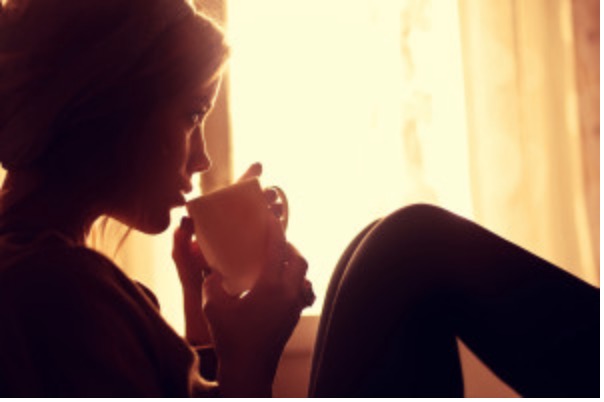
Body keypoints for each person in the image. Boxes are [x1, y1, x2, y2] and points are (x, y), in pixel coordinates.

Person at [0, 0, 598, 398]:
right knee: (410, 249)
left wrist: (205, 322)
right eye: (190, 115)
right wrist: (252, 357)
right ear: (108, 111)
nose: (202, 158)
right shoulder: (55, 288)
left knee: (377, 247)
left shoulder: (46, 275)